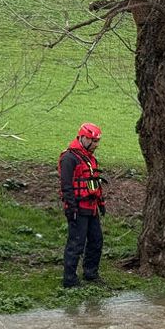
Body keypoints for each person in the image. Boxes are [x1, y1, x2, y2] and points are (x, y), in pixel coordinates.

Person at [59, 122, 106, 288]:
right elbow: (66, 186)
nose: (95, 145)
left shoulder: (90, 159)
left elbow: (93, 183)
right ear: (83, 137)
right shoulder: (69, 158)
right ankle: (69, 280)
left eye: (97, 142)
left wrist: (100, 203)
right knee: (76, 243)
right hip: (77, 208)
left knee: (96, 241)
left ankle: (90, 274)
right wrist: (71, 209)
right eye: (93, 141)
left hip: (91, 207)